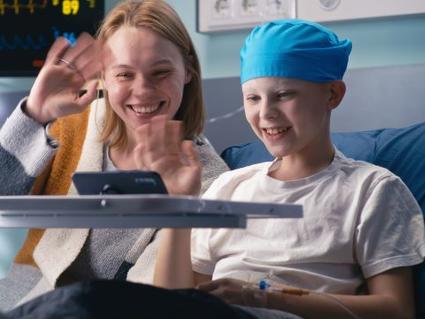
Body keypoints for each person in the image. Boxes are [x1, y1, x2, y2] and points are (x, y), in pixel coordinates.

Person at [132, 20, 425, 319]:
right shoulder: (229, 186)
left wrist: (264, 297)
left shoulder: (373, 190)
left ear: (333, 94)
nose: (266, 113)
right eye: (253, 98)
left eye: (284, 95)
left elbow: (397, 310)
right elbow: (173, 305)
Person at [0, 0, 228, 311]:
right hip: (21, 300)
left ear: (187, 70)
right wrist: (35, 114)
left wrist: (180, 204)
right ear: (104, 76)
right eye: (124, 75)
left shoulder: (207, 178)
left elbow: (162, 300)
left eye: (160, 72)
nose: (143, 90)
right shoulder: (71, 125)